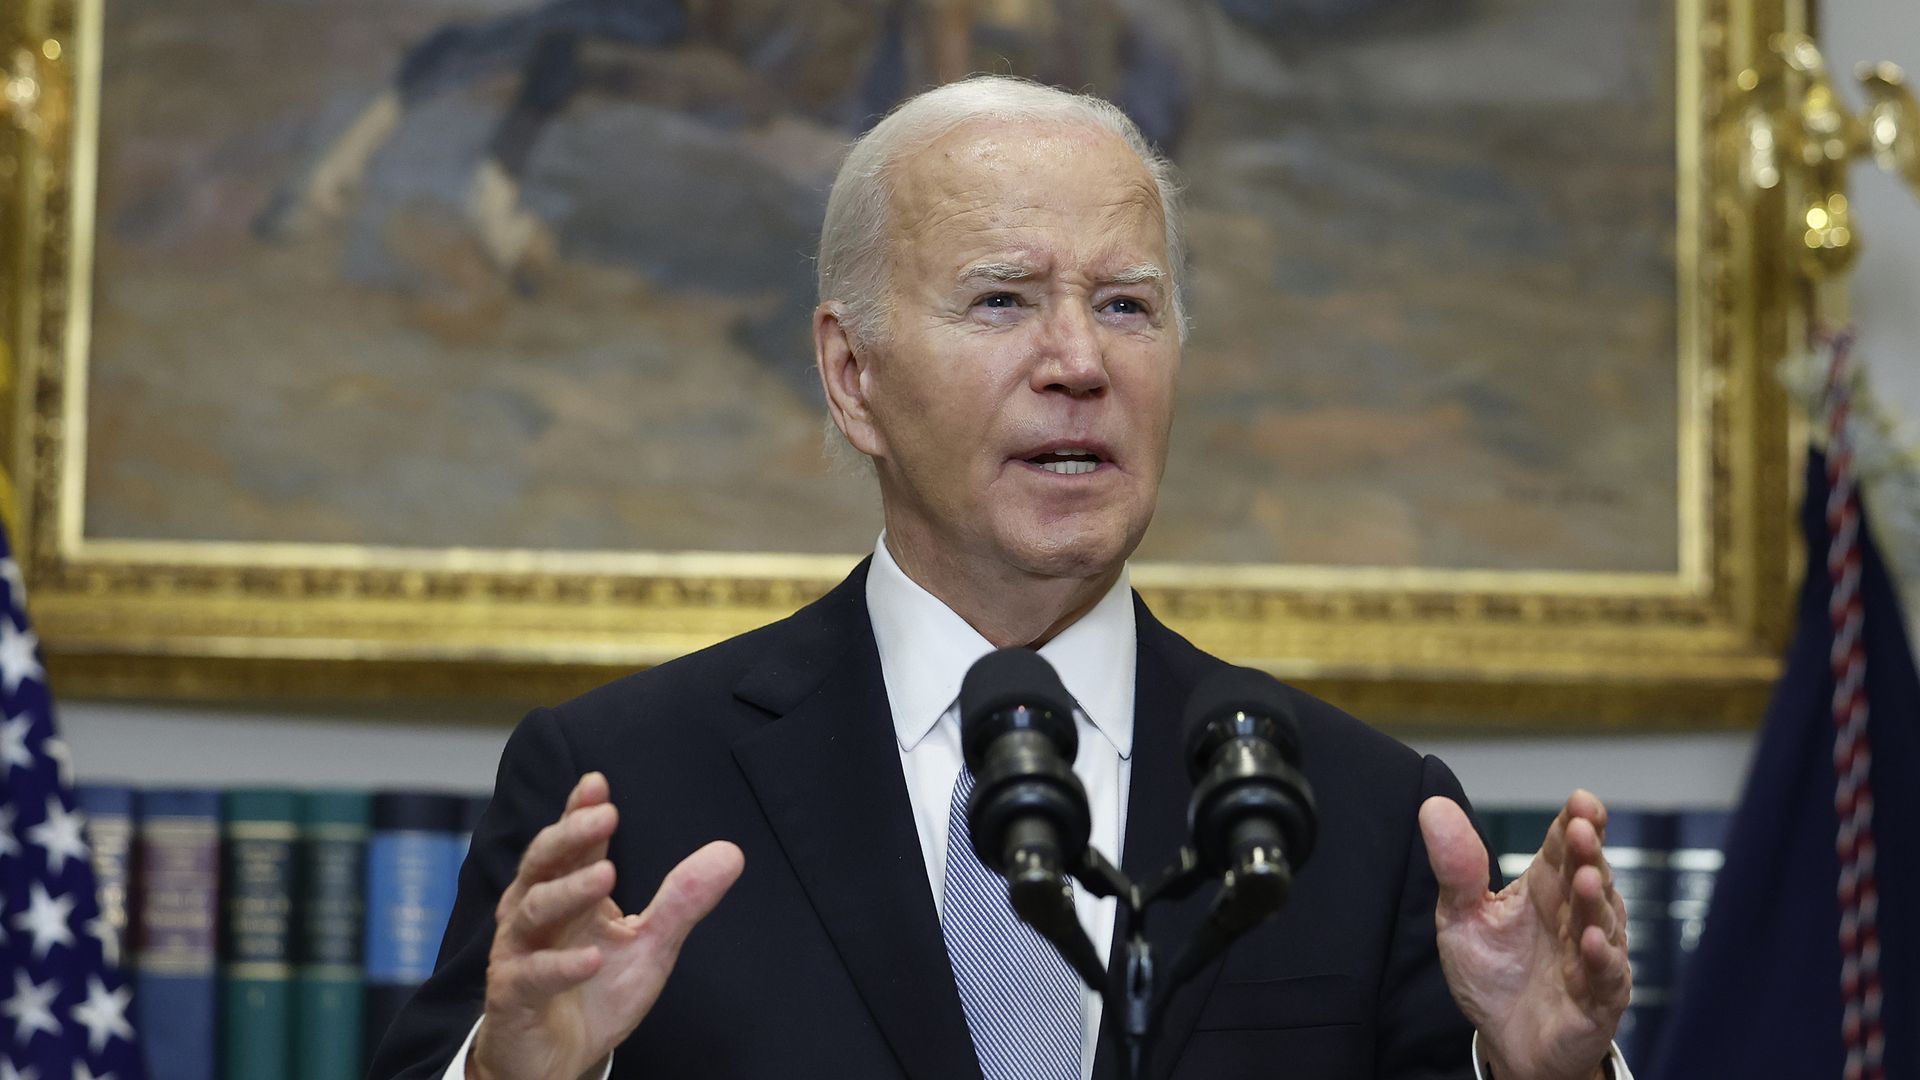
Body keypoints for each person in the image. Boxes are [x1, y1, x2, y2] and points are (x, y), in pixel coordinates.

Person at [369, 76, 1632, 1080]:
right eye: (1002, 300)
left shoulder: (1357, 811)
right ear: (852, 375)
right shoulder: (624, 792)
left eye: (1128, 307)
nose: (1078, 359)